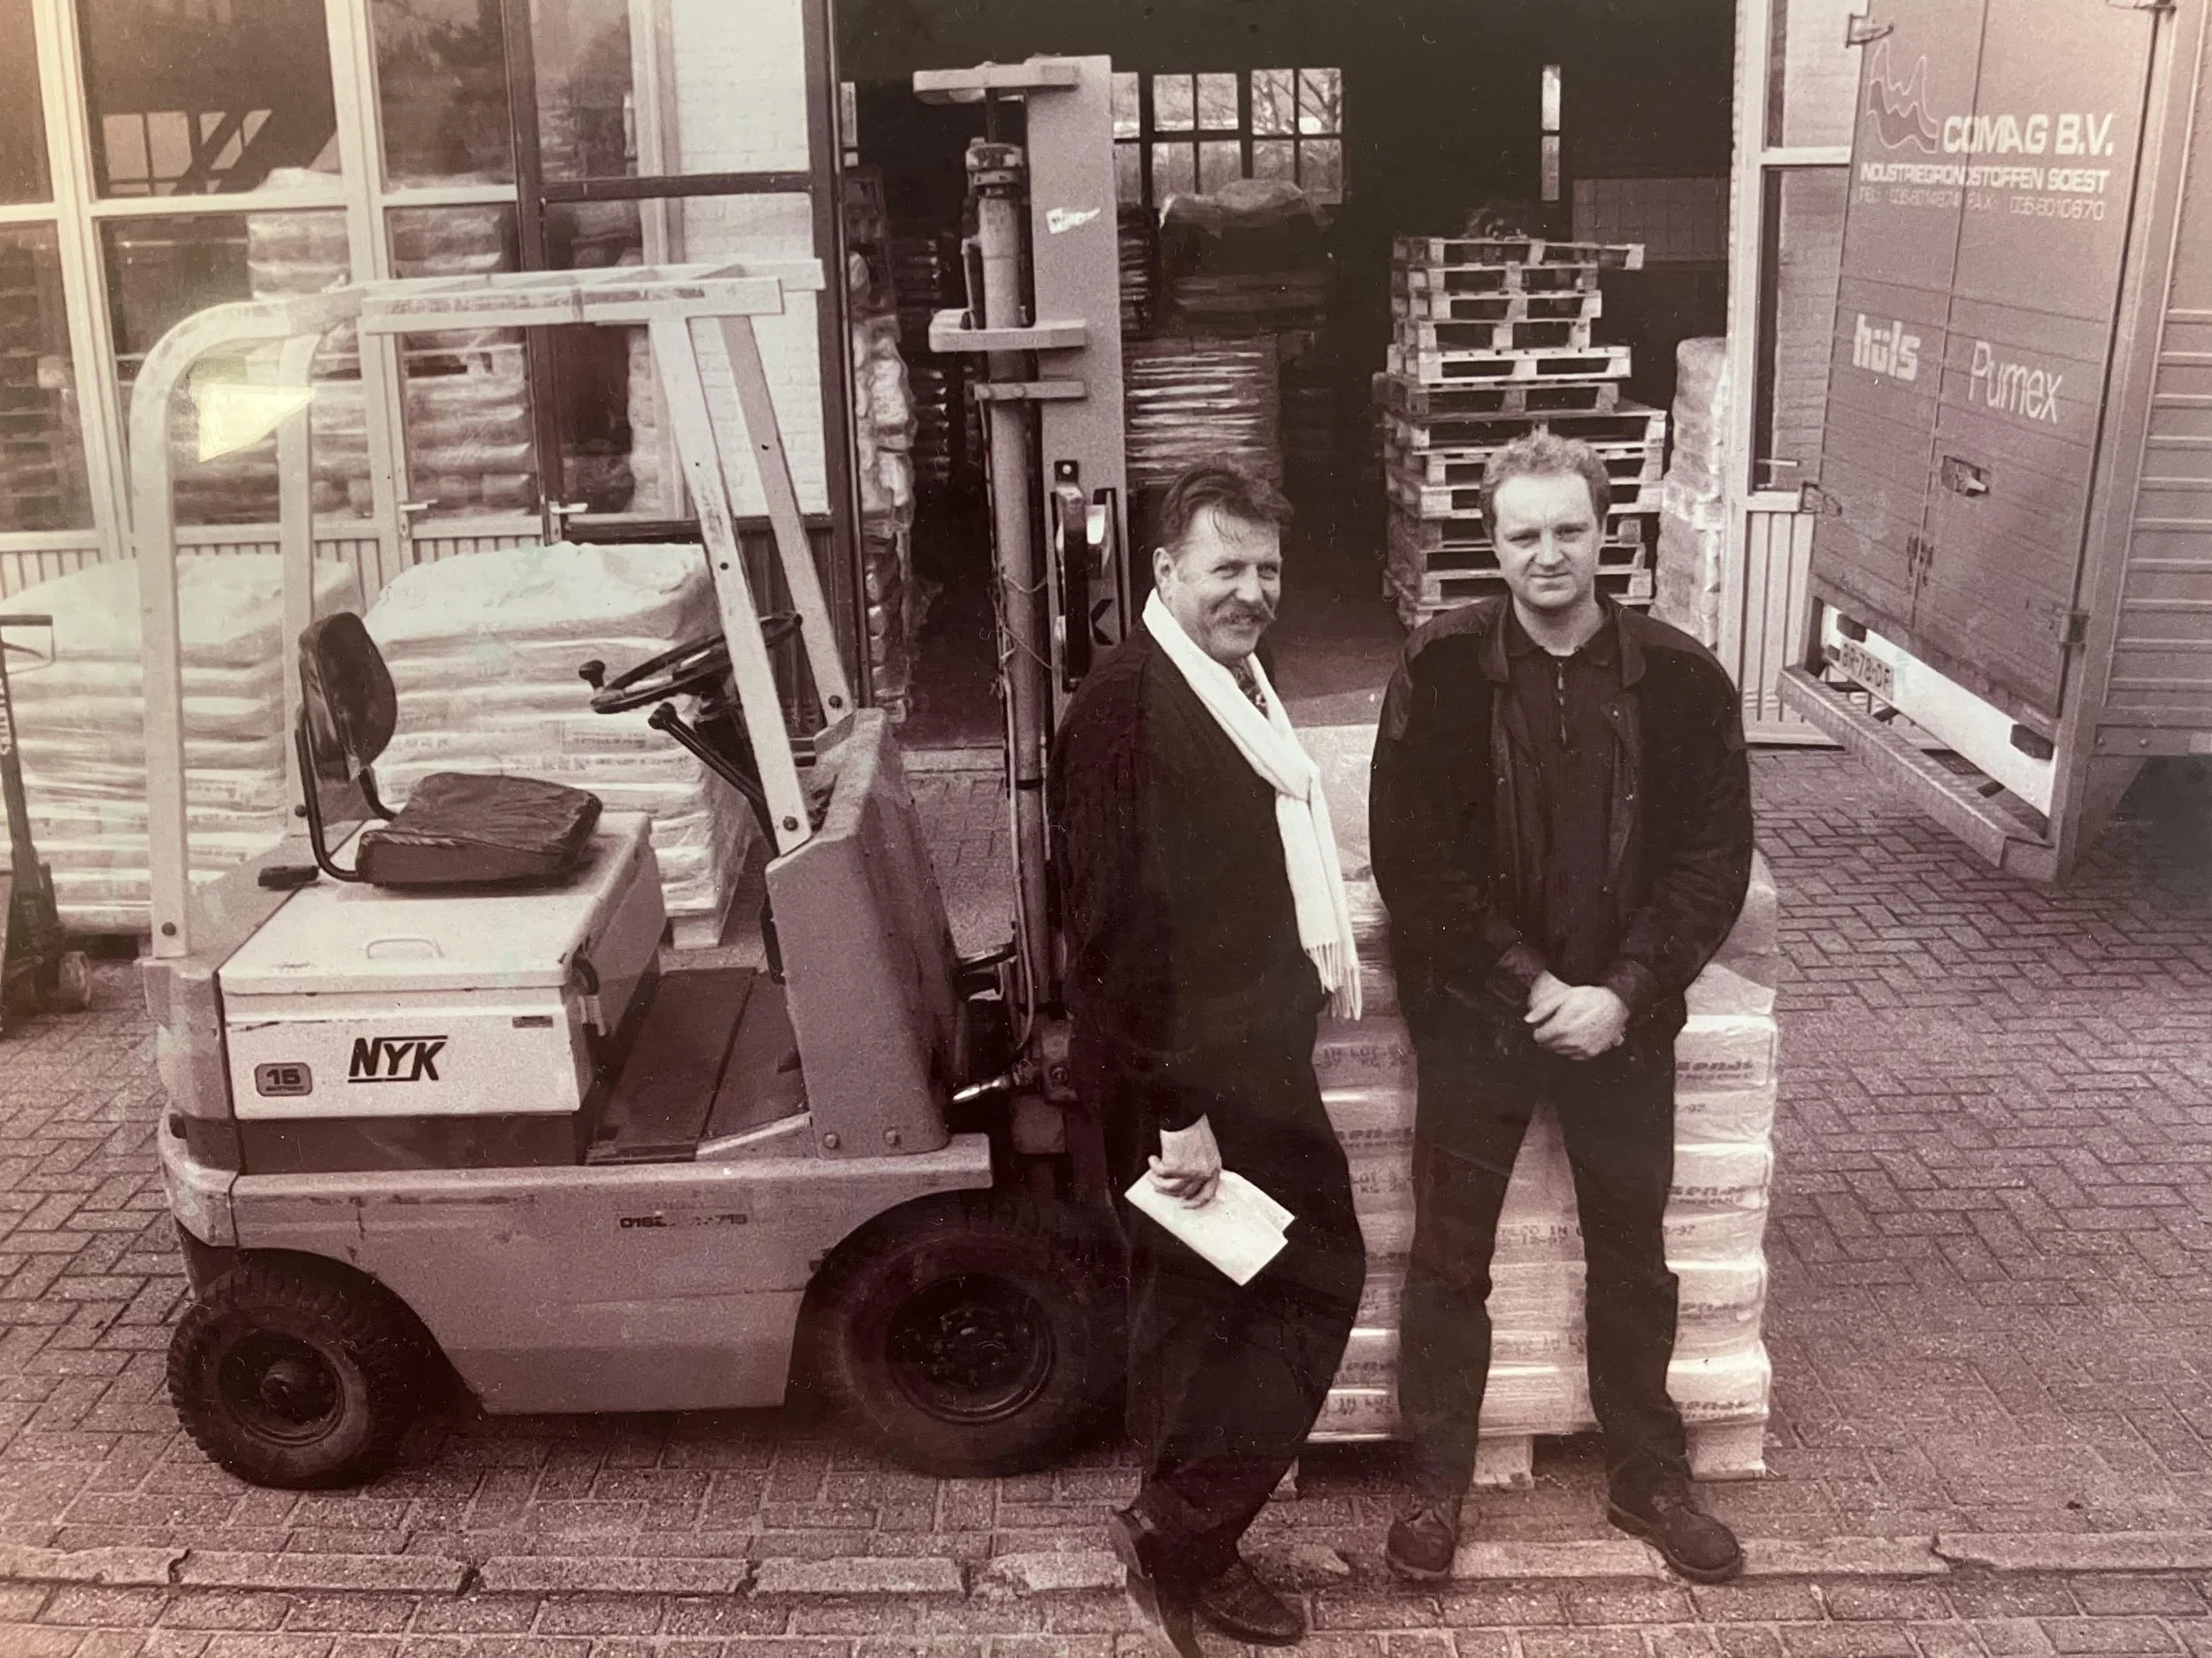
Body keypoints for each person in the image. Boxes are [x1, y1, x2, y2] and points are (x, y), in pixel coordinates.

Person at [1369, 431, 1755, 1585]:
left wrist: (1624, 992)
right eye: (1525, 533)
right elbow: (1414, 860)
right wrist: (1531, 985)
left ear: (1609, 533)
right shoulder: (1441, 669)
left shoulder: (1682, 680)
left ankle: (1648, 1475)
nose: (1549, 554)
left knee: (1634, 1253)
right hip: (1479, 1019)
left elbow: (1712, 861)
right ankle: (1436, 1483)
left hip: (1621, 1026)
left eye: (1570, 530)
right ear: (1492, 544)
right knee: (1450, 1259)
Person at [1049, 461, 1367, 1655]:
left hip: (1242, 1060)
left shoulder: (1229, 680)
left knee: (1218, 1304)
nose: (1252, 590)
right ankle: (1181, 1539)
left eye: (1268, 568)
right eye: (1226, 565)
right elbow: (1113, 932)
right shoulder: (1130, 710)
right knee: (1290, 1282)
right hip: (1184, 1082)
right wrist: (1178, 1113)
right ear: (1165, 571)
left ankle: (1184, 1534)